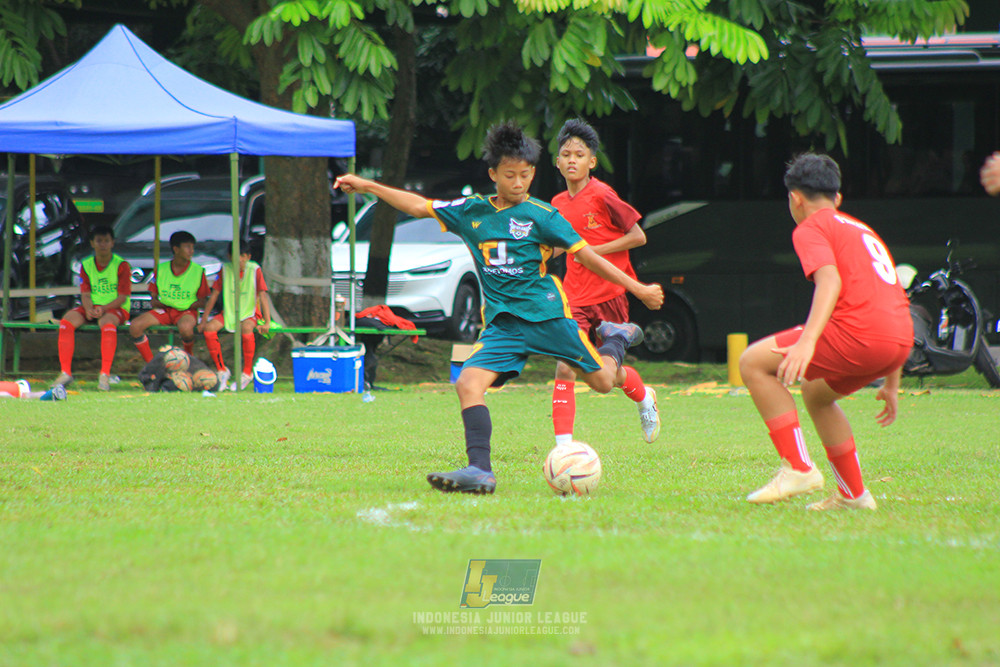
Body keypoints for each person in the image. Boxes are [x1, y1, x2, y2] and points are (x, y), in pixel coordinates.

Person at [335, 121, 664, 494]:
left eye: (525, 175)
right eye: (510, 176)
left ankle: (617, 340)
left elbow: (587, 256)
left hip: (548, 317)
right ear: (493, 175)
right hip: (504, 326)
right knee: (468, 383)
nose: (519, 183)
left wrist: (636, 288)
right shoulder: (471, 212)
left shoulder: (543, 216)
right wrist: (368, 185)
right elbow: (418, 205)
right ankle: (480, 470)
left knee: (603, 382)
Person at [739, 153, 912, 511]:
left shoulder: (811, 227)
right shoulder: (864, 231)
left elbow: (828, 280)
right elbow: (891, 298)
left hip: (860, 334)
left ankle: (798, 468)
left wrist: (807, 342)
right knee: (816, 395)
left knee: (753, 363)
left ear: (795, 198)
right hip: (898, 340)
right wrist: (892, 382)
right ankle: (853, 494)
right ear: (838, 198)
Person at [549, 118, 659, 446]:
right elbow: (560, 246)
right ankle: (563, 452)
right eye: (566, 154)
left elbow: (637, 236)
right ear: (557, 161)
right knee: (566, 367)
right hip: (575, 298)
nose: (572, 160)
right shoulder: (556, 204)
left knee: (604, 378)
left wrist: (592, 251)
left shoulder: (602, 194)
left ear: (591, 162)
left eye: (579, 155)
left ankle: (644, 396)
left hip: (610, 295)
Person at [52, 224, 132, 391]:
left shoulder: (121, 265)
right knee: (67, 321)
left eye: (106, 241)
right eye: (99, 241)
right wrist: (88, 308)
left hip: (115, 307)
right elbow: (86, 293)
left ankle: (104, 374)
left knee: (107, 323)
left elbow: (123, 296)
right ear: (92, 243)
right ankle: (65, 372)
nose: (103, 244)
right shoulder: (86, 265)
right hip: (94, 306)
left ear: (112, 243)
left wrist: (103, 308)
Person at [197, 240, 272, 390]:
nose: (240, 260)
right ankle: (222, 370)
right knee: (209, 329)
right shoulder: (225, 269)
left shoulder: (255, 270)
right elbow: (214, 294)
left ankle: (247, 372)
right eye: (237, 256)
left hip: (250, 312)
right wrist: (204, 319)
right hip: (230, 311)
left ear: (248, 256)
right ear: (229, 256)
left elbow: (263, 295)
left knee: (246, 328)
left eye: (243, 256)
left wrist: (267, 322)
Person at [129, 231, 209, 363]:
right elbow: (153, 298)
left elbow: (202, 301)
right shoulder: (161, 269)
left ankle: (189, 361)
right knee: (135, 326)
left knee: (185, 328)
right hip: (165, 310)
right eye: (187, 247)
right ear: (176, 249)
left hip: (186, 311)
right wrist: (161, 303)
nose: (191, 251)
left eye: (192, 247)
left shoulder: (198, 271)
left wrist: (182, 305)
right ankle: (152, 365)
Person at [0, 380, 66, 401]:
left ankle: (52, 393)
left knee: (28, 395)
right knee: (29, 395)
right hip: (15, 387)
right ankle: (51, 393)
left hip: (17, 389)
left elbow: (5, 394)